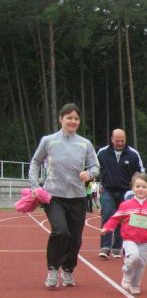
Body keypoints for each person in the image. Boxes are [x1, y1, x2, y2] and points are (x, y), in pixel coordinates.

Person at [29, 103, 100, 288]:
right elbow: (35, 162)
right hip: (53, 196)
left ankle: (68, 269)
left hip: (77, 197)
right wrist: (35, 186)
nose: (73, 121)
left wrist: (89, 174)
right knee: (60, 231)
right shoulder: (48, 141)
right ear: (61, 119)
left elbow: (95, 166)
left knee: (75, 238)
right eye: (69, 118)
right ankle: (53, 269)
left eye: (76, 118)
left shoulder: (85, 144)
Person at [100, 172, 147, 295]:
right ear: (132, 188)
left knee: (141, 264)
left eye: (144, 187)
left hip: (144, 242)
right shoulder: (126, 205)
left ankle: (135, 284)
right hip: (129, 239)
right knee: (134, 257)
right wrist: (107, 228)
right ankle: (126, 273)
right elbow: (115, 218)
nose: (140, 189)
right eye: (138, 186)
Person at [97, 129, 144, 259]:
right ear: (112, 139)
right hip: (108, 190)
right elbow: (94, 168)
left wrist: (138, 187)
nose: (120, 143)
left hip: (126, 192)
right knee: (107, 215)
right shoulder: (102, 152)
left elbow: (141, 172)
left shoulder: (133, 154)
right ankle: (105, 247)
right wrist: (97, 183)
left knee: (123, 219)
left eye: (122, 140)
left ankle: (117, 247)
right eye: (117, 140)